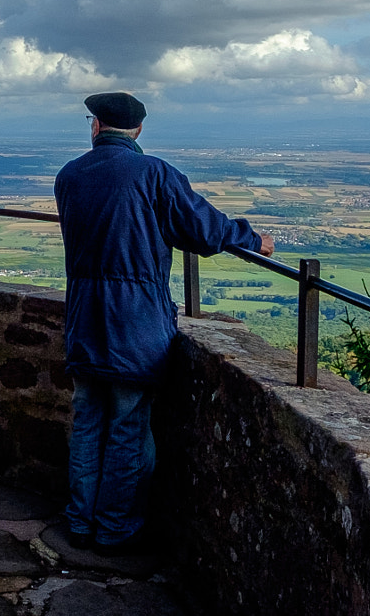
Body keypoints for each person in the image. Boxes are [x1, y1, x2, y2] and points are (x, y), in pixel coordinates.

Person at [53, 91, 274, 555]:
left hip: (84, 319)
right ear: (138, 130)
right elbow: (203, 230)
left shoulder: (69, 175)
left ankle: (79, 522)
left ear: (96, 126)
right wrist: (252, 238)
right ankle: (115, 531)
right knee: (129, 429)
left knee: (89, 422)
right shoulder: (153, 173)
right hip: (135, 324)